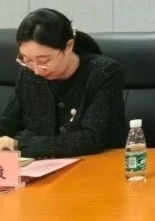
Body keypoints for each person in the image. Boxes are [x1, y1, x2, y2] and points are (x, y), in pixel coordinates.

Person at [0, 9, 125, 158]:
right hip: (39, 167)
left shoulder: (104, 73)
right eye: (27, 60)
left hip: (96, 164)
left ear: (68, 46)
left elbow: (92, 138)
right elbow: (7, 124)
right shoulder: (28, 74)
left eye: (44, 61)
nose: (37, 71)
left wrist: (20, 145)